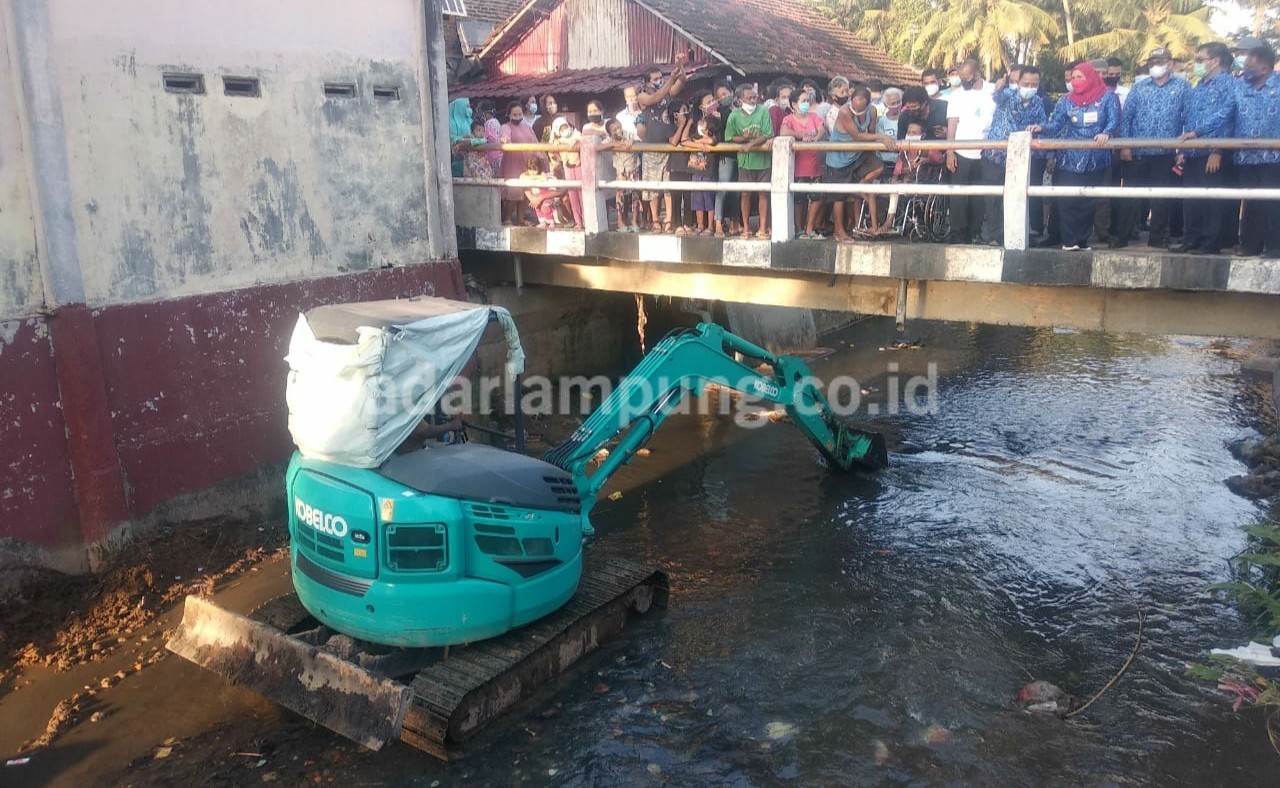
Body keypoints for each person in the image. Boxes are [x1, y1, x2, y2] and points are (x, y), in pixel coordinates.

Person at [1029, 62, 1120, 251]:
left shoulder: (1107, 97)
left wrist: (1107, 133)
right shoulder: (1066, 100)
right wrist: (1042, 127)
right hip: (1069, 159)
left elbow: (1113, 120)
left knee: (1088, 202)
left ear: (1091, 77)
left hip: (1095, 159)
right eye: (1073, 78)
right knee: (1068, 201)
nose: (1075, 81)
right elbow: (1056, 124)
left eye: (1080, 77)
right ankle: (1069, 241)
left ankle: (1082, 241)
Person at [1115, 48, 1190, 249]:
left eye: (1160, 61)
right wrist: (1126, 145)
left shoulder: (1183, 87)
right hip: (1138, 151)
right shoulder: (1139, 87)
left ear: (1170, 64)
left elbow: (1188, 120)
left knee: (1160, 198)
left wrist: (1183, 150)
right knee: (1130, 196)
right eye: (1152, 61)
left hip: (1165, 153)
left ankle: (1157, 239)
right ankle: (1122, 237)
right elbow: (1127, 118)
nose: (1155, 65)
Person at [1175, 41, 1239, 254]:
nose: (1197, 64)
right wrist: (1184, 150)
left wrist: (1217, 151)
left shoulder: (1228, 84)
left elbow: (1227, 117)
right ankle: (1190, 239)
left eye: (1200, 59)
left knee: (1212, 200)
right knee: (1192, 199)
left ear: (1215, 60)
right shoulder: (1199, 85)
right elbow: (1189, 118)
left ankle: (1210, 243)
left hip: (1212, 151)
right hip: (1193, 152)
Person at [981, 66, 1048, 245]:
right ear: (1018, 83)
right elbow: (997, 96)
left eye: (1034, 84)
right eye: (1026, 83)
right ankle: (995, 236)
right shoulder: (1008, 95)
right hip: (996, 155)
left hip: (1019, 158)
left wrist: (1040, 128)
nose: (1030, 87)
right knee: (993, 198)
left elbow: (1043, 123)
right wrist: (999, 86)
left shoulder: (1038, 102)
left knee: (1016, 197)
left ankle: (1014, 236)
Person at [822, 81, 895, 242]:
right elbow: (857, 136)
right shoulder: (844, 112)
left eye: (861, 109)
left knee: (878, 166)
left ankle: (860, 187)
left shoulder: (873, 111)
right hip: (838, 158)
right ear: (851, 100)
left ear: (868, 104)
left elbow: (870, 132)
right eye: (855, 107)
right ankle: (839, 231)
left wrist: (877, 143)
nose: (857, 111)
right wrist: (882, 137)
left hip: (858, 154)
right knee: (839, 197)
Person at [1233, 45, 1280, 258]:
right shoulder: (1239, 86)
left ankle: (1274, 246)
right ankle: (1250, 245)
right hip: (1245, 156)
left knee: (1272, 203)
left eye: (1250, 65)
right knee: (1250, 202)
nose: (1245, 69)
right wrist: (1198, 132)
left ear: (1264, 68)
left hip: (1274, 156)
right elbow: (1224, 113)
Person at [945, 59, 996, 244]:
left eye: (966, 77)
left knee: (979, 195)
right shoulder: (957, 96)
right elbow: (952, 124)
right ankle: (957, 233)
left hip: (987, 151)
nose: (964, 81)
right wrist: (950, 151)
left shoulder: (993, 91)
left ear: (976, 74)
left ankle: (974, 232)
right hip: (961, 150)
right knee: (958, 194)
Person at [724, 83, 774, 238]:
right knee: (745, 194)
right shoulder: (734, 116)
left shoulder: (763, 111)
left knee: (763, 193)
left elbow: (767, 133)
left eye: (754, 97)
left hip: (763, 160)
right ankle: (746, 227)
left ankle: (763, 227)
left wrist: (750, 144)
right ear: (740, 100)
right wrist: (743, 139)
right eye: (749, 98)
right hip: (745, 161)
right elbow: (730, 137)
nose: (753, 100)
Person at [782, 88, 828, 239]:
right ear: (794, 104)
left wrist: (815, 139)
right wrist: (801, 136)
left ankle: (809, 228)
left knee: (817, 197)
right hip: (798, 166)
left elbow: (821, 131)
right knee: (799, 200)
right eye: (803, 101)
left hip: (814, 165)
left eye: (807, 101)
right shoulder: (788, 119)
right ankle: (799, 228)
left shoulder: (814, 116)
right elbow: (783, 132)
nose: (806, 104)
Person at [636, 97, 676, 233]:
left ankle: (669, 220)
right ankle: (655, 221)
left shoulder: (668, 109)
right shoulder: (643, 114)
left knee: (668, 188)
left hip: (668, 151)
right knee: (652, 189)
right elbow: (641, 135)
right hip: (650, 152)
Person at [498, 101, 540, 226]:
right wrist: (505, 139)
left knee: (525, 191)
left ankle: (521, 219)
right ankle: (507, 218)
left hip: (527, 163)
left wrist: (540, 157)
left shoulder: (527, 127)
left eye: (520, 114)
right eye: (514, 115)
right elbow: (505, 136)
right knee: (514, 192)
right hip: (513, 164)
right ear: (509, 115)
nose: (517, 117)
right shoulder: (506, 126)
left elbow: (535, 142)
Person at [602, 118, 642, 232]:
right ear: (610, 132)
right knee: (620, 197)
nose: (617, 130)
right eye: (614, 129)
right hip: (620, 170)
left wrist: (632, 142)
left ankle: (634, 221)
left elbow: (640, 140)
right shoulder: (610, 139)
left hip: (633, 167)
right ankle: (621, 222)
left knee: (635, 196)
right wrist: (615, 144)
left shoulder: (629, 134)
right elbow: (600, 146)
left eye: (618, 127)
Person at [683, 112, 718, 235]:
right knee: (697, 200)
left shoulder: (714, 137)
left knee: (708, 199)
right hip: (695, 171)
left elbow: (712, 141)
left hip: (708, 173)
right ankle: (700, 225)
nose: (700, 124)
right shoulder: (695, 137)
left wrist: (703, 142)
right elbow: (684, 141)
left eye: (703, 123)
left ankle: (710, 226)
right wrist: (699, 145)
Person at [668, 99, 697, 236]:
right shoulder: (669, 127)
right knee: (676, 197)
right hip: (676, 165)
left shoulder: (692, 127)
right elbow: (674, 141)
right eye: (681, 111)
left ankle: (688, 223)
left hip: (690, 165)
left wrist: (689, 123)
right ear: (674, 114)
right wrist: (681, 125)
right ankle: (677, 224)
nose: (685, 113)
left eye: (686, 110)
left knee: (689, 196)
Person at [550, 117, 584, 229]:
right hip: (568, 168)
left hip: (580, 166)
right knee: (573, 196)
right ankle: (578, 222)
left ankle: (586, 221)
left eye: (566, 127)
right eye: (561, 129)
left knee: (583, 195)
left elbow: (583, 141)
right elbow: (554, 155)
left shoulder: (577, 135)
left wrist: (577, 141)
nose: (565, 130)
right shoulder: (557, 141)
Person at [520, 156, 563, 229]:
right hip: (536, 195)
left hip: (546, 195)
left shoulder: (544, 175)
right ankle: (543, 222)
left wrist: (538, 177)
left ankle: (551, 222)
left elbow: (545, 179)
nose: (532, 172)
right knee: (538, 208)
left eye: (535, 169)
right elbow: (521, 177)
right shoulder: (527, 176)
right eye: (530, 169)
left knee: (546, 208)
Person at [448, 97, 473, 177]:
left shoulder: (470, 121)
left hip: (471, 155)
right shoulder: (450, 123)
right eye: (467, 106)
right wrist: (462, 138)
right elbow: (450, 138)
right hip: (456, 156)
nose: (469, 109)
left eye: (469, 106)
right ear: (460, 107)